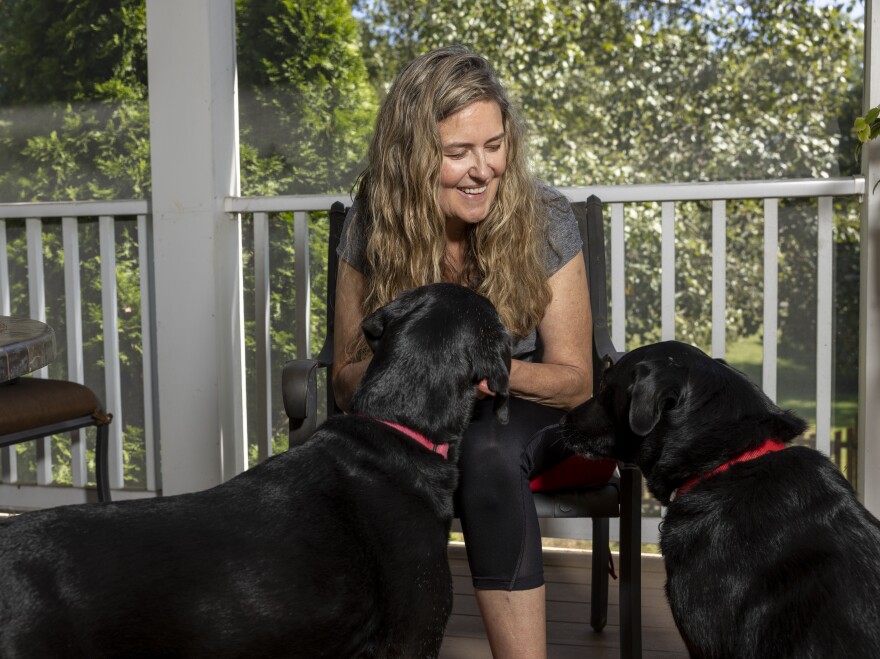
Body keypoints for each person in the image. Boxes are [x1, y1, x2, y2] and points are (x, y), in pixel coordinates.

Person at [331, 45, 593, 658]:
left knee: (489, 448)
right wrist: (421, 370)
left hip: (521, 406)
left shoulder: (545, 219)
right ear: (414, 159)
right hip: (409, 417)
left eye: (494, 145)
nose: (483, 169)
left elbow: (578, 380)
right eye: (457, 153)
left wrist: (490, 372)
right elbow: (346, 379)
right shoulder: (373, 222)